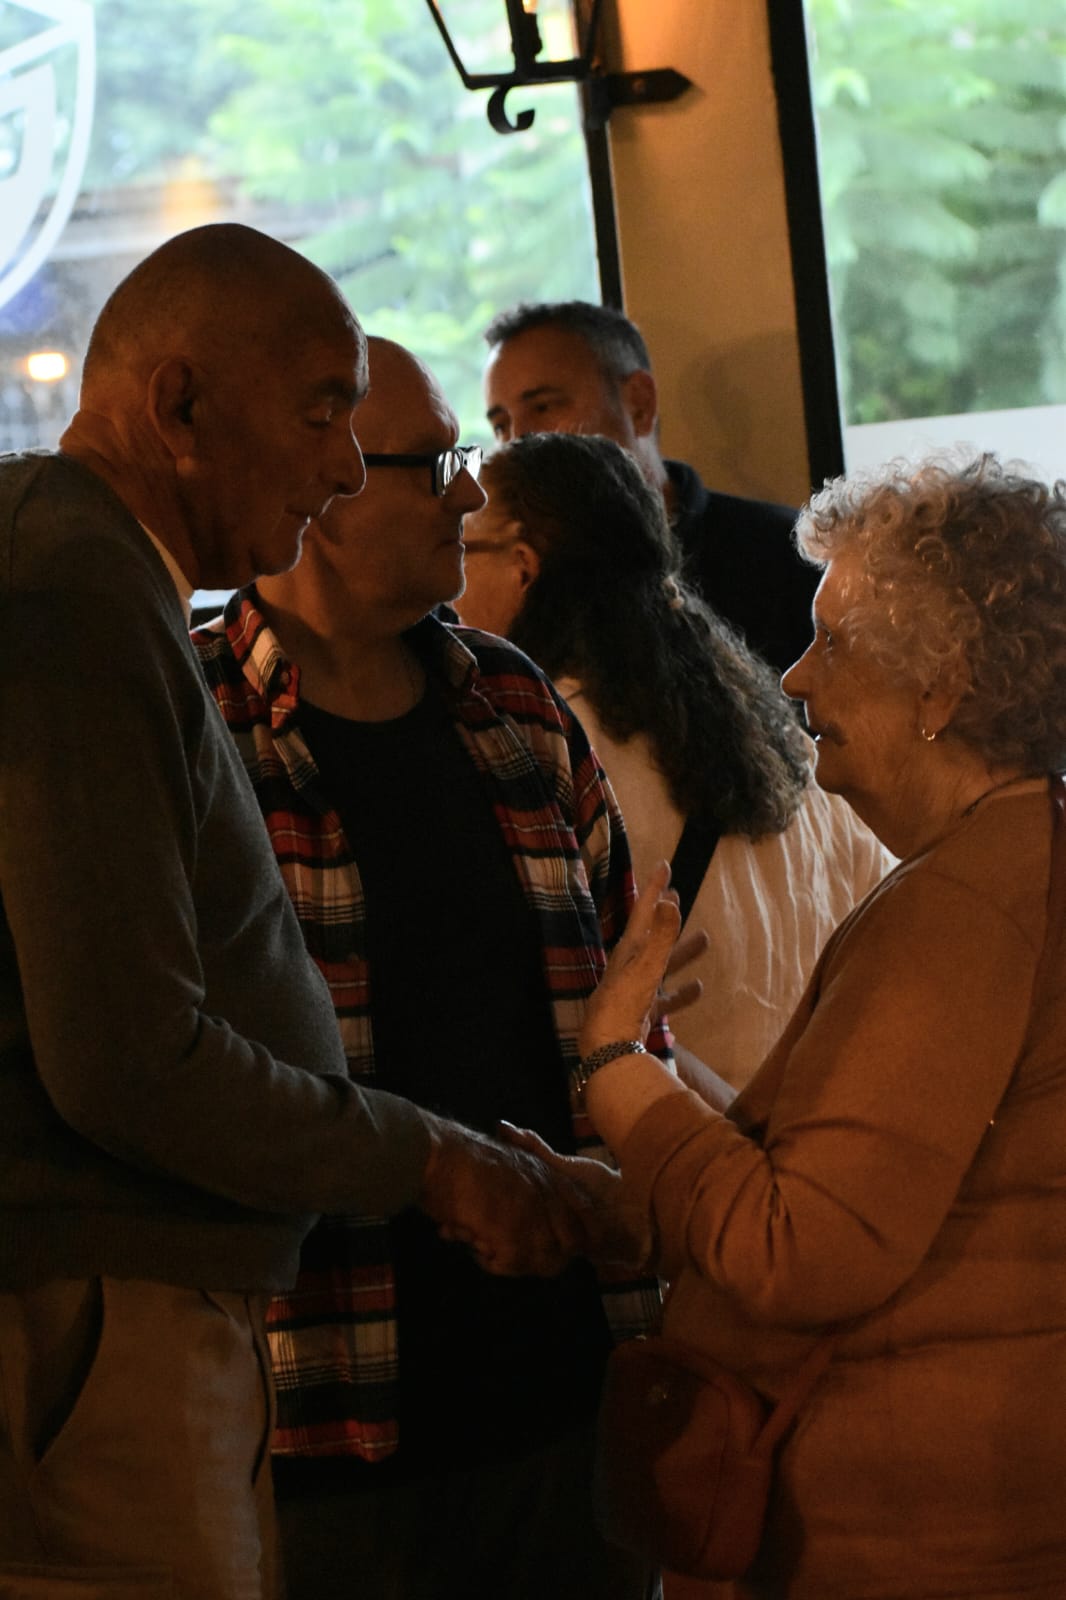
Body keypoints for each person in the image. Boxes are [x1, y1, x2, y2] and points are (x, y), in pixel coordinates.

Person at [0, 225, 598, 1600]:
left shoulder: (96, 574)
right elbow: (124, 1057)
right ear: (179, 405)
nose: (339, 469)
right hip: (97, 1322)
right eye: (324, 412)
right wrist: (430, 1161)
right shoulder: (75, 588)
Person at [191, 336, 667, 1600]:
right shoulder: (191, 716)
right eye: (437, 461)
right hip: (319, 1408)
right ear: (322, 488)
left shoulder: (511, 701)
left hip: (568, 1381)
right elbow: (166, 1064)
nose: (471, 490)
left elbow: (628, 1001)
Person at [565, 452, 1066, 1597]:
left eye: (833, 642)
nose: (793, 677)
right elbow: (865, 1183)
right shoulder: (1008, 860)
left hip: (904, 1534)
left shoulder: (964, 906)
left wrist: (616, 1070)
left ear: (940, 688)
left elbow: (801, 1250)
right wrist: (631, 1179)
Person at [456, 432, 892, 1089]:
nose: (449, 585)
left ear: (523, 566)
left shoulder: (542, 754)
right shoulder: (790, 745)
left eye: (463, 547)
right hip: (824, 1120)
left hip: (669, 1134)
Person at [482, 300, 818, 675]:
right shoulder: (520, 585)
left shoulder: (787, 558)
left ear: (639, 404)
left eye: (543, 407)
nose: (516, 440)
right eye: (500, 426)